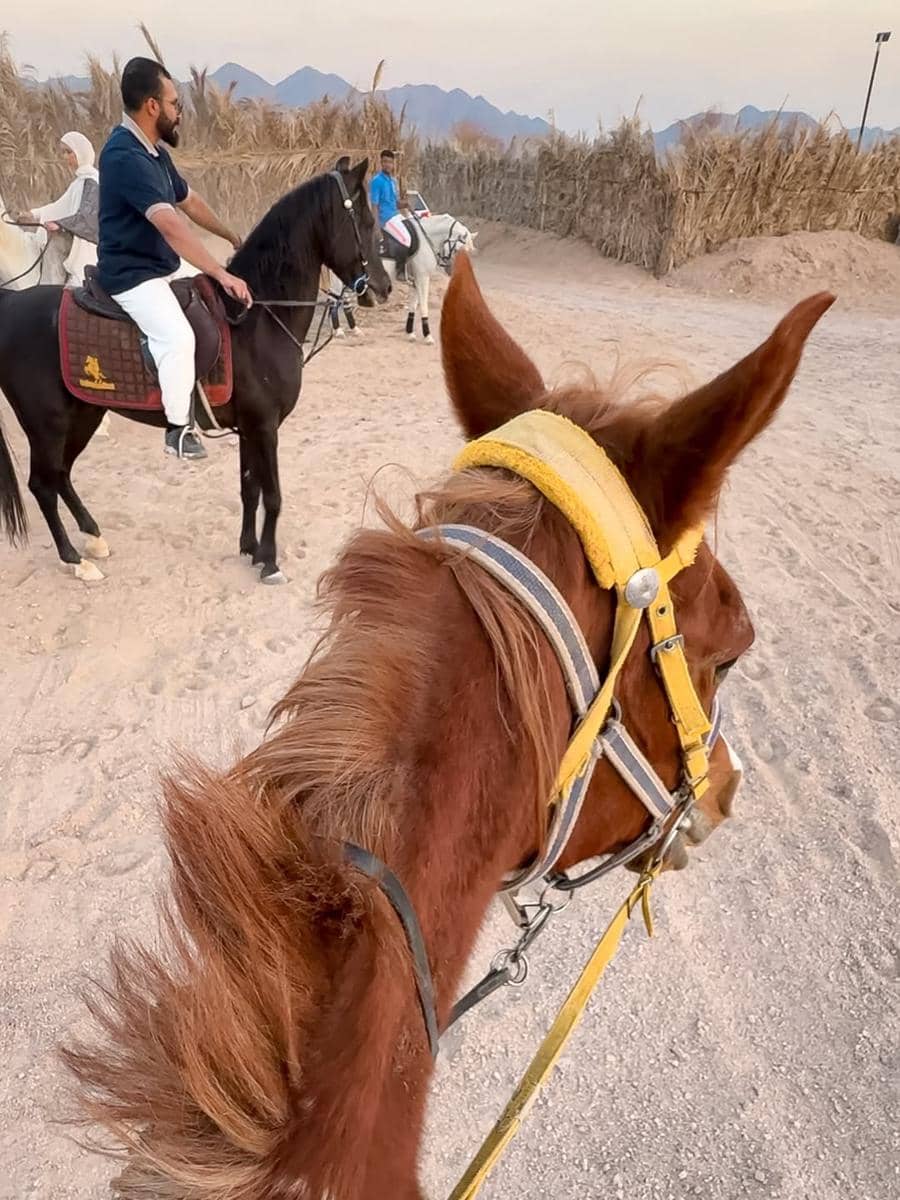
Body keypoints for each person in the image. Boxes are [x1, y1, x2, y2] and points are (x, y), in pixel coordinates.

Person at [96, 56, 252, 460]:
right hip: (132, 274)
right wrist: (218, 269)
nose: (178, 112)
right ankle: (178, 430)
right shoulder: (123, 155)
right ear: (152, 106)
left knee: (215, 303)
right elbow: (171, 226)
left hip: (160, 264)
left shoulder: (153, 152)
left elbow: (189, 202)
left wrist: (230, 234)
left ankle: (215, 402)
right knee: (177, 337)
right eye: (174, 103)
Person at [28, 131, 99, 288]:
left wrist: (60, 224)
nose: (65, 157)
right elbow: (59, 207)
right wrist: (34, 214)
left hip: (87, 249)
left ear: (81, 153)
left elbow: (88, 217)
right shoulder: (79, 182)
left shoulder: (91, 181)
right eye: (64, 152)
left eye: (69, 152)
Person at [369, 149, 412, 271]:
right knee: (406, 239)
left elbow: (394, 203)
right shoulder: (377, 181)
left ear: (393, 164)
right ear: (381, 163)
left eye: (390, 162)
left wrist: (405, 204)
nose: (387, 164)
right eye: (385, 162)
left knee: (414, 230)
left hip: (396, 215)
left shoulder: (393, 181)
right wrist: (377, 227)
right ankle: (400, 271)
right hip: (386, 219)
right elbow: (374, 206)